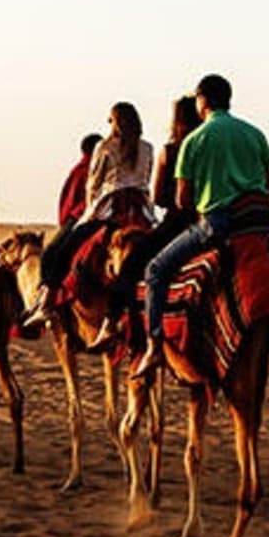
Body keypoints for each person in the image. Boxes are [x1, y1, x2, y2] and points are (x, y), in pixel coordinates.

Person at [133, 73, 269, 377]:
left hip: (218, 225)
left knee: (155, 272)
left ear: (203, 101)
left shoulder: (193, 142)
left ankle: (155, 345)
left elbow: (183, 201)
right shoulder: (255, 134)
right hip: (259, 226)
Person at [24, 104, 153, 329]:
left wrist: (89, 214)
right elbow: (146, 178)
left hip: (111, 209)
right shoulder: (148, 148)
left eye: (110, 120)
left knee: (59, 251)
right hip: (140, 210)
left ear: (116, 121)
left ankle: (46, 303)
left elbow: (93, 185)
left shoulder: (104, 147)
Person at [91, 95, 202, 349]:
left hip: (176, 221)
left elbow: (163, 197)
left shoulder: (170, 150)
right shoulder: (150, 149)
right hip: (154, 210)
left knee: (139, 265)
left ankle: (115, 323)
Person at [58, 133, 101, 228]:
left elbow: (69, 200)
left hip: (82, 214)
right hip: (83, 214)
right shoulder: (83, 170)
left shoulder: (79, 171)